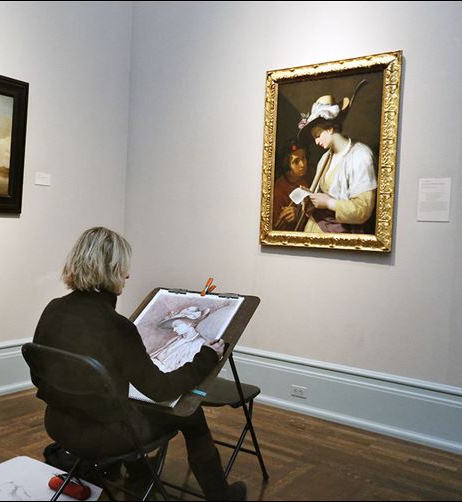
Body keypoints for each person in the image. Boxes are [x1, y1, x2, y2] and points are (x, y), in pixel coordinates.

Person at [32, 226, 247, 501]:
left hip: (59, 424)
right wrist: (206, 357)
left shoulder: (54, 309)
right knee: (191, 415)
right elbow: (160, 390)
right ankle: (222, 497)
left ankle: (138, 474)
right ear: (112, 269)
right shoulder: (116, 326)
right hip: (102, 436)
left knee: (122, 403)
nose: (128, 275)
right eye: (123, 267)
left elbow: (40, 376)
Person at [297, 80, 377, 233]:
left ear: (330, 129)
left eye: (318, 135)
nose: (316, 142)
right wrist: (310, 196)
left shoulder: (361, 156)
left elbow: (363, 209)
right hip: (316, 227)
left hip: (341, 234)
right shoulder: (325, 158)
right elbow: (320, 195)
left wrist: (329, 203)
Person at [151, 306, 212, 372]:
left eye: (176, 325)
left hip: (163, 372)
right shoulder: (180, 338)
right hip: (154, 365)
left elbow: (182, 369)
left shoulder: (198, 344)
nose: (174, 329)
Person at [272, 142, 310, 231]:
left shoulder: (303, 182)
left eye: (303, 158)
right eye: (296, 161)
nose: (302, 164)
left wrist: (299, 215)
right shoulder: (278, 190)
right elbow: (276, 226)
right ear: (287, 165)